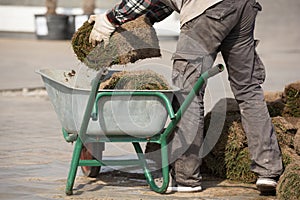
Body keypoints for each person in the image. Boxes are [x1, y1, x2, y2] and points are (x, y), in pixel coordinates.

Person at [88, 0, 283, 193]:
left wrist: (108, 20)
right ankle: (268, 170)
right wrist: (137, 21)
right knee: (248, 89)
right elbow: (161, 5)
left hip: (208, 10)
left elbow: (141, 0)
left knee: (187, 94)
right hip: (244, 6)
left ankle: (186, 178)